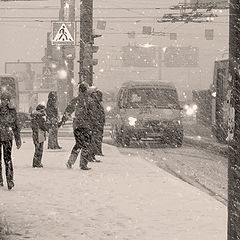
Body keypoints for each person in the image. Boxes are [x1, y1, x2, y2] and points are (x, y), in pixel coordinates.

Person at [60, 82, 93, 170]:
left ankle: (70, 162)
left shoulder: (76, 100)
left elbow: (68, 111)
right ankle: (83, 164)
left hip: (77, 125)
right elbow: (93, 114)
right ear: (86, 90)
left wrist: (63, 120)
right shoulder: (89, 100)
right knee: (86, 145)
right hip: (86, 126)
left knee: (78, 144)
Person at [0, 92, 21, 190]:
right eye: (3, 99)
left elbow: (16, 126)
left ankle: (9, 180)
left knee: (7, 159)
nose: (5, 101)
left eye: (7, 100)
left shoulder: (12, 111)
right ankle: (0, 179)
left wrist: (18, 139)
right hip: (3, 136)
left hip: (7, 137)